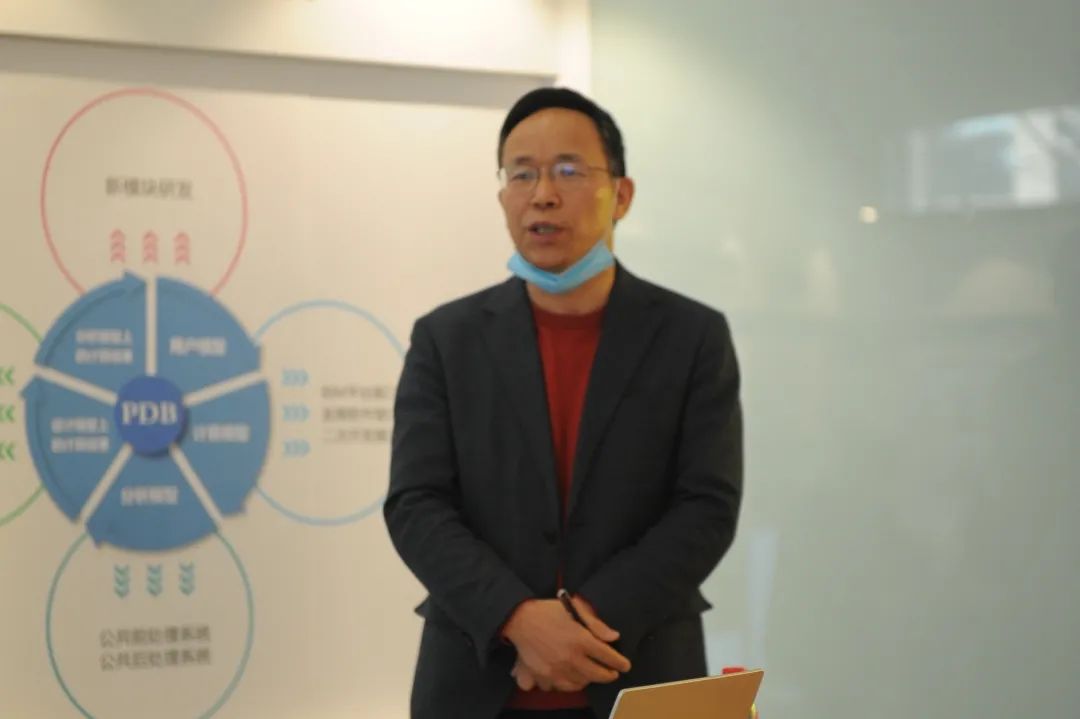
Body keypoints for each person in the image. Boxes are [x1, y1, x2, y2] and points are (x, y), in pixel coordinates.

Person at [384, 87, 743, 719]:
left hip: (644, 674)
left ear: (621, 195)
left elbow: (706, 508)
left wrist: (581, 624)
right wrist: (518, 619)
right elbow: (416, 504)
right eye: (522, 173)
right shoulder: (446, 339)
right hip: (476, 684)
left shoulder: (691, 336)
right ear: (503, 197)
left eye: (569, 171)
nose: (542, 194)